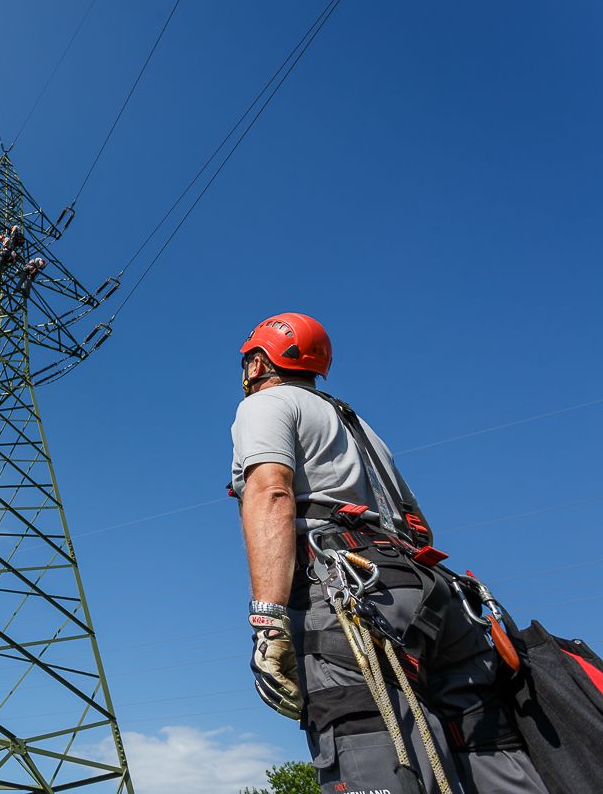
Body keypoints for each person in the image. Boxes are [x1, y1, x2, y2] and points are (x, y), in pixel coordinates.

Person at [229, 312, 546, 794]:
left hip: (353, 591)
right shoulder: (358, 426)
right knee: (488, 754)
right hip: (432, 595)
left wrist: (268, 620)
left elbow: (271, 493)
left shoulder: (265, 405)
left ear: (257, 362)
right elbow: (419, 526)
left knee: (372, 739)